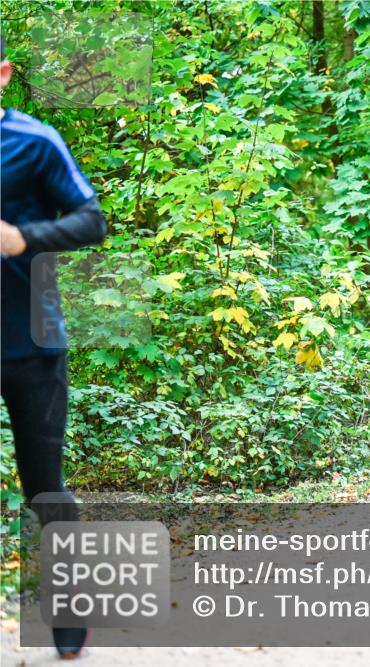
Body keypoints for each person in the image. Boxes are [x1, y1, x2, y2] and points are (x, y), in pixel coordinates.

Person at [0, 35, 107, 659]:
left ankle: (71, 620)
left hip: (32, 344)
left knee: (44, 485)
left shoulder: (34, 141)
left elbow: (91, 220)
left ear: (4, 73)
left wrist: (24, 238)